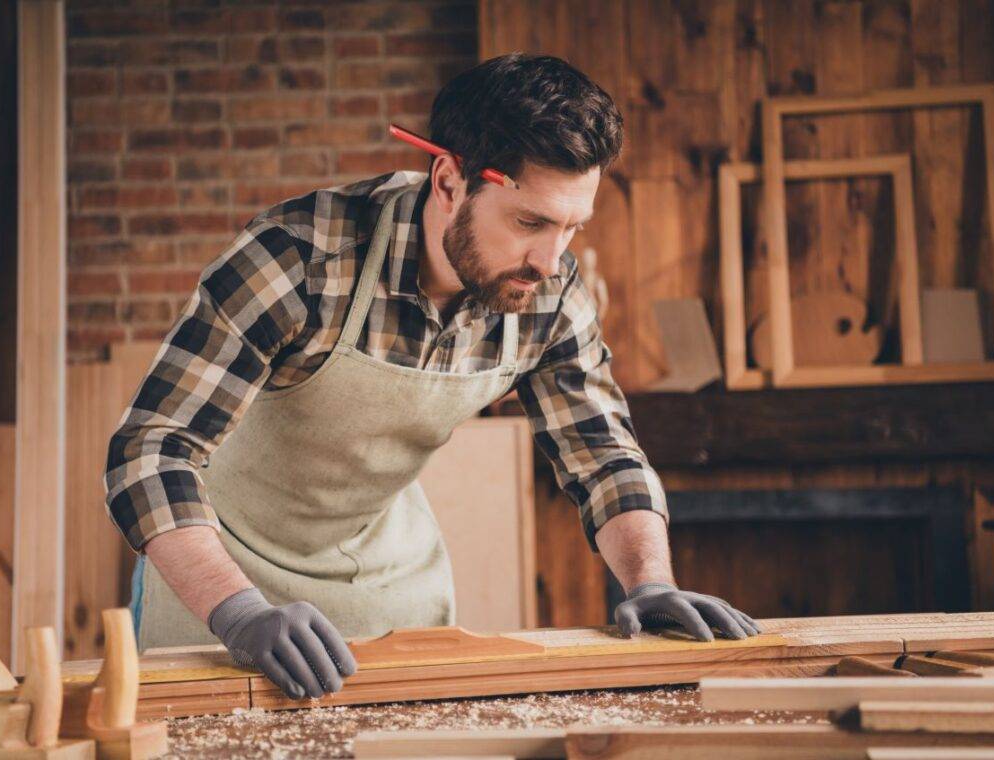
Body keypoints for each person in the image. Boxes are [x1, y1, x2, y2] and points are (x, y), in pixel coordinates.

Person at [105, 52, 760, 702]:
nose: (548, 260)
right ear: (448, 181)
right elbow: (151, 451)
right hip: (222, 587)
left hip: (390, 590)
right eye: (529, 221)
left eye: (570, 228)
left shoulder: (548, 292)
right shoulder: (299, 258)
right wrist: (239, 614)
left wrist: (651, 582)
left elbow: (602, 455)